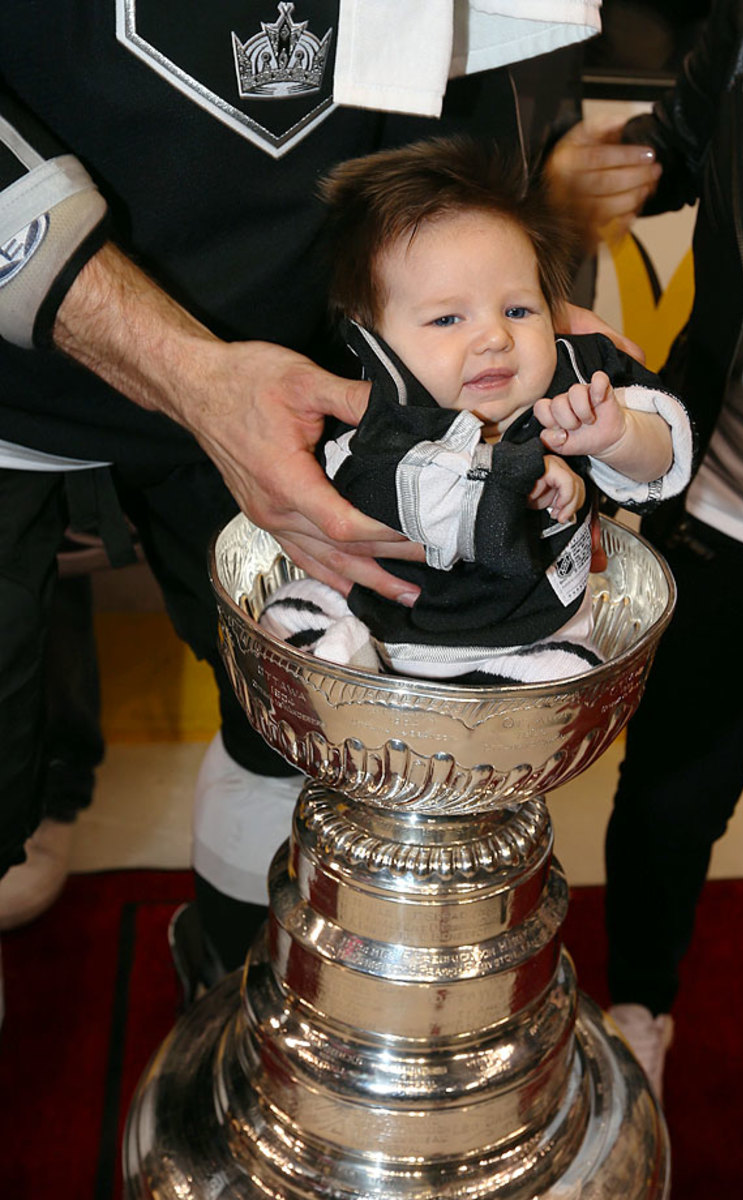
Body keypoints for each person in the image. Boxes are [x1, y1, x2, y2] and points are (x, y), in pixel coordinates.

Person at [0, 3, 613, 984]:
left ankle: (229, 999)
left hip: (279, 366)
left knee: (300, 717)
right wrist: (183, 369)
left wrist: (495, 301)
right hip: (19, 354)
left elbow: (429, 92)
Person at [546, 2, 743, 1196]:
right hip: (734, 500)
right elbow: (657, 156)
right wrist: (570, 178)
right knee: (667, 799)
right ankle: (639, 1017)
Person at [260, 138, 693, 684]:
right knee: (286, 616)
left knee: (565, 673)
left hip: (532, 628)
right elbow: (428, 496)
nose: (494, 337)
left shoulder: (575, 381)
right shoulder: (378, 422)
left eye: (518, 309)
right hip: (382, 612)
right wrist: (518, 477)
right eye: (447, 320)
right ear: (375, 345)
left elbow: (666, 455)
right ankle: (353, 666)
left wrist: (619, 436)